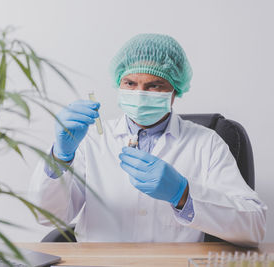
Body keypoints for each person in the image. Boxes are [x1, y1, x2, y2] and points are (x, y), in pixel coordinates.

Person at [29, 33, 267, 246]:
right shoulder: (91, 140)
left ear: (175, 91)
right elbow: (46, 216)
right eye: (130, 83)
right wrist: (60, 157)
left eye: (155, 85)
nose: (140, 93)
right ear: (118, 83)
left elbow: (254, 226)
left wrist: (182, 194)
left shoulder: (206, 143)